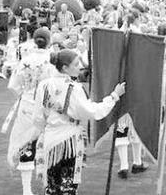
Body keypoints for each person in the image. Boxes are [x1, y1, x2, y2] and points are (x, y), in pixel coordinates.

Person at [32, 49, 125, 195]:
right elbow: (92, 111)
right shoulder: (74, 88)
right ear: (64, 68)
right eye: (75, 65)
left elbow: (37, 118)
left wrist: (49, 127)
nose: (79, 67)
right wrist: (114, 96)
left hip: (50, 139)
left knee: (52, 187)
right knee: (67, 187)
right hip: (69, 141)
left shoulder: (44, 85)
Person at [6, 28, 55, 195]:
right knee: (50, 143)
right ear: (49, 41)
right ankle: (50, 184)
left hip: (27, 105)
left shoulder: (25, 60)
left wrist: (24, 94)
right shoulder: (52, 60)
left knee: (27, 143)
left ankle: (27, 190)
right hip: (48, 106)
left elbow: (13, 85)